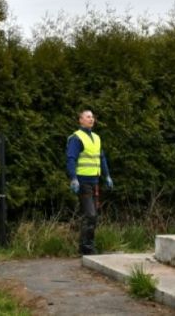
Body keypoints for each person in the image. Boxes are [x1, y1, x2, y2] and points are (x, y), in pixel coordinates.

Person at [66, 108, 113, 255]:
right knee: (90, 215)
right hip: (83, 182)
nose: (91, 119)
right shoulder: (76, 138)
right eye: (87, 117)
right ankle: (87, 249)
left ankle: (86, 247)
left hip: (95, 182)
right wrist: (73, 178)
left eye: (92, 117)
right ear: (80, 120)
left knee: (92, 216)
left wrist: (107, 176)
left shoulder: (97, 138)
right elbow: (71, 159)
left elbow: (102, 158)